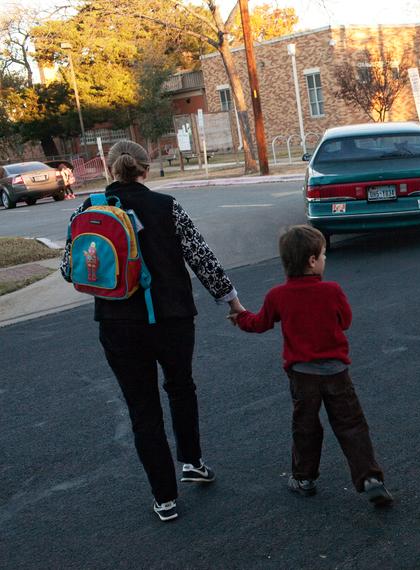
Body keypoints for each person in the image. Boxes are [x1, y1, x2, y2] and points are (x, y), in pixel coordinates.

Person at [59, 140, 244, 522]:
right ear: (145, 169)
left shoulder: (86, 210)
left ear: (110, 170)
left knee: (142, 408)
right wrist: (232, 302)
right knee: (180, 387)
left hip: (117, 324)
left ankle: (164, 498)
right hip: (172, 318)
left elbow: (68, 269)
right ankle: (192, 462)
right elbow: (202, 259)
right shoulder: (168, 207)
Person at [228, 225, 393, 508]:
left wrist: (239, 315)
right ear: (312, 261)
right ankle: (369, 478)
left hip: (302, 375)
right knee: (351, 424)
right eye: (323, 255)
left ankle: (304, 478)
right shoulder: (332, 291)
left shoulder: (278, 295)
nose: (325, 260)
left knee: (305, 426)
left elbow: (259, 323)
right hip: (336, 372)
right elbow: (346, 321)